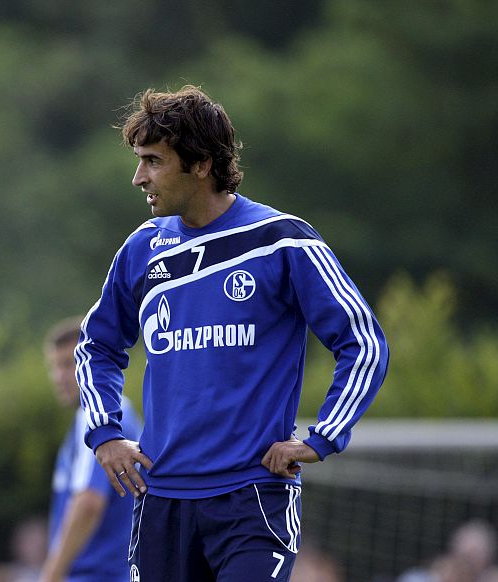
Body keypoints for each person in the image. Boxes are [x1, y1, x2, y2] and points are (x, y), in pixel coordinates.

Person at [75, 86, 389, 581]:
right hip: (162, 500)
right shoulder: (142, 248)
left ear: (200, 164)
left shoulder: (282, 241)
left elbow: (363, 342)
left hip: (251, 499)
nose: (139, 178)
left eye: (154, 161)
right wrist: (105, 434)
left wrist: (322, 437)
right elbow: (96, 345)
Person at [40, 318, 143, 582]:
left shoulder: (97, 420)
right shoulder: (119, 414)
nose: (59, 376)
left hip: (96, 574)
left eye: (68, 364)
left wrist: (52, 575)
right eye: (54, 366)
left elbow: (88, 501)